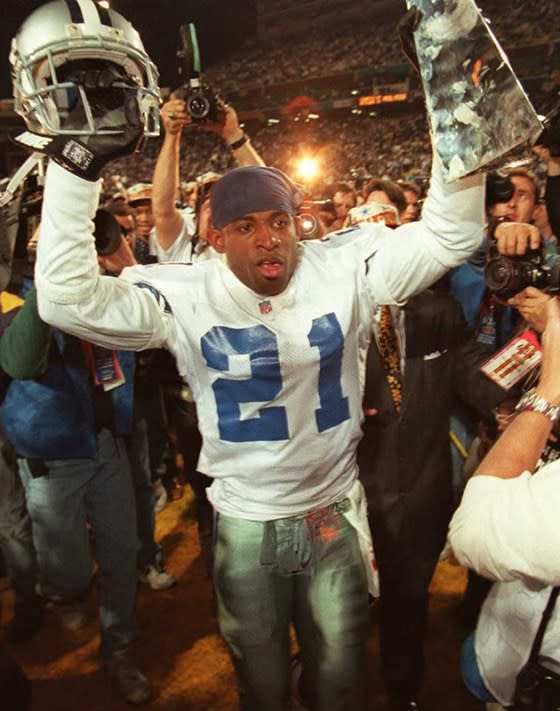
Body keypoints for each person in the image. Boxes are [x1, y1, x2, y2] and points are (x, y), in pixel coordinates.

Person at [11, 2, 531, 709]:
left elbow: (449, 234)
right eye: (246, 226)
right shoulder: (184, 289)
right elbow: (67, 299)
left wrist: (458, 114)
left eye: (280, 221)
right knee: (259, 680)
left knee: (343, 679)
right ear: (214, 237)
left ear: (299, 224)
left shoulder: (341, 264)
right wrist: (76, 166)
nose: (269, 240)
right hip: (248, 522)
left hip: (330, 513)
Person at [357, 288, 511, 711]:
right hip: (348, 492)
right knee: (339, 614)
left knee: (407, 601)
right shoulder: (328, 306)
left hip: (422, 486)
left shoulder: (438, 308)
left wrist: (519, 400)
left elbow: (471, 371)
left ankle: (403, 693)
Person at [449, 293, 560, 710]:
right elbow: (479, 371)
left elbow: (474, 533)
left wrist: (546, 396)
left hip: (533, 669)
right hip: (504, 628)